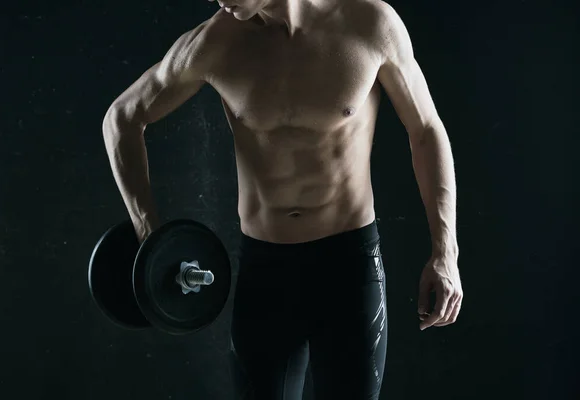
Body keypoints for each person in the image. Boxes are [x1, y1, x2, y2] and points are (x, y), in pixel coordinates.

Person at [102, 0, 463, 398]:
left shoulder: (370, 24)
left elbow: (426, 130)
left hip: (349, 268)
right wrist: (148, 233)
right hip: (266, 273)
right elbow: (122, 117)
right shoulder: (215, 42)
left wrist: (445, 252)